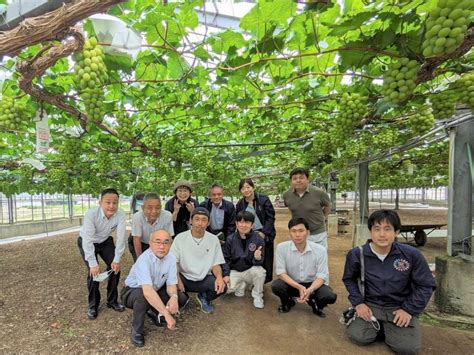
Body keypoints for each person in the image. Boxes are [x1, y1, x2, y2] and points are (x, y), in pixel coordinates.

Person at [342, 210, 436, 354]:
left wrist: (408, 310)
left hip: (399, 307)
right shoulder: (357, 254)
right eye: (377, 229)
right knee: (359, 336)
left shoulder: (411, 255)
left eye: (388, 229)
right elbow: (349, 279)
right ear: (370, 232)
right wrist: (358, 303)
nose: (382, 234)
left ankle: (390, 328)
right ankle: (381, 326)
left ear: (396, 232)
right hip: (371, 305)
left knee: (408, 348)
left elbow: (426, 285)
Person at [121, 230, 189, 347]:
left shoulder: (171, 258)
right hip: (132, 292)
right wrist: (168, 315)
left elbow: (171, 284)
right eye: (157, 242)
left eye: (166, 242)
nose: (162, 246)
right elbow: (148, 291)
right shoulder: (143, 260)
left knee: (181, 298)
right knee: (143, 297)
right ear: (150, 243)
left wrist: (174, 296)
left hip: (155, 289)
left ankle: (154, 311)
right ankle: (137, 330)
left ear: (170, 244)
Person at [77, 188, 126, 320]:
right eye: (108, 202)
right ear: (100, 203)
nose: (111, 206)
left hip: (105, 241)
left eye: (115, 202)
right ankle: (93, 305)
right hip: (88, 241)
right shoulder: (91, 214)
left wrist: (116, 259)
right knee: (93, 273)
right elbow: (87, 241)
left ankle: (112, 300)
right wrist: (93, 264)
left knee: (115, 269)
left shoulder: (121, 214)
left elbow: (121, 238)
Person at [271, 217, 337, 317]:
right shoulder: (281, 248)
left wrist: (310, 290)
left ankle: (315, 303)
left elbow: (322, 275)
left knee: (329, 296)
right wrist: (298, 286)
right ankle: (287, 302)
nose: (297, 235)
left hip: (313, 285)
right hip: (292, 284)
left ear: (308, 232)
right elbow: (281, 273)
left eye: (301, 231)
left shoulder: (320, 250)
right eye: (293, 231)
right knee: (277, 286)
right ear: (289, 233)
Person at [171, 207, 227, 314]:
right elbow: (174, 262)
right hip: (184, 277)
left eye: (203, 220)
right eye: (196, 219)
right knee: (169, 285)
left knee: (222, 286)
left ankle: (204, 297)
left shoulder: (213, 239)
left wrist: (219, 277)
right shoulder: (180, 238)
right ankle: (184, 299)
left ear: (208, 223)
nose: (200, 223)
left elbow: (216, 264)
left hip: (203, 278)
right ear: (191, 221)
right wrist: (177, 279)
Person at [222, 211, 266, 308]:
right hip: (235, 271)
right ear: (236, 224)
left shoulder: (258, 239)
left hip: (249, 270)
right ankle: (240, 285)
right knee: (226, 289)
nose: (243, 225)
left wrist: (257, 258)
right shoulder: (230, 239)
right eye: (241, 222)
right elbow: (225, 259)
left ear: (252, 225)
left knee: (260, 272)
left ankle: (257, 295)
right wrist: (225, 275)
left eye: (247, 222)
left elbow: (260, 261)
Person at [236, 178, 276, 283]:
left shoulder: (263, 199)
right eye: (243, 188)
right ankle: (253, 280)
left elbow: (270, 217)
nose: (246, 190)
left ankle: (264, 281)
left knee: (266, 257)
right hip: (250, 234)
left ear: (253, 188)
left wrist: (264, 233)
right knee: (252, 256)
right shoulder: (240, 204)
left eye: (248, 187)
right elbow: (240, 220)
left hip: (264, 233)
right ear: (240, 191)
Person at [282, 168, 331, 249]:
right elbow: (291, 209)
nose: (298, 180)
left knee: (318, 257)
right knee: (301, 258)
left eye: (301, 178)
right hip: (299, 234)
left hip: (317, 233)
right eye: (295, 178)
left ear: (307, 179)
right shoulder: (287, 195)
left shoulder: (319, 193)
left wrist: (324, 218)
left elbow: (327, 205)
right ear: (291, 181)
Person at [128, 192, 174, 262]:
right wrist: (140, 261)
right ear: (143, 208)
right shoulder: (137, 217)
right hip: (141, 242)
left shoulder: (167, 216)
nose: (154, 211)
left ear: (161, 207)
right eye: (149, 208)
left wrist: (167, 257)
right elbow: (137, 240)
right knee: (142, 265)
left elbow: (169, 238)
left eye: (157, 208)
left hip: (158, 243)